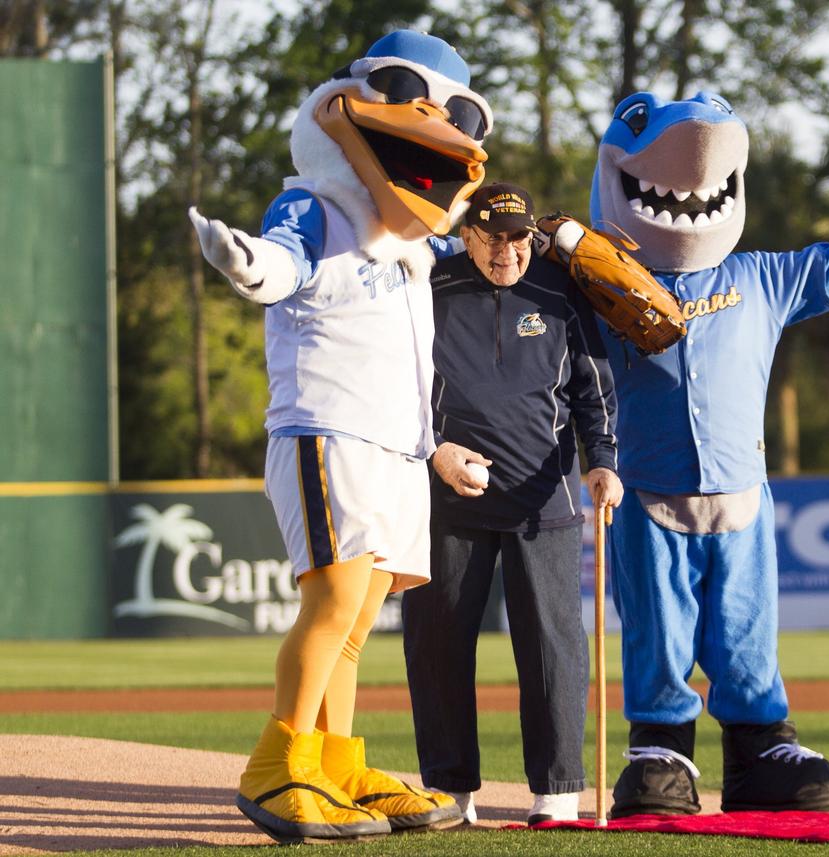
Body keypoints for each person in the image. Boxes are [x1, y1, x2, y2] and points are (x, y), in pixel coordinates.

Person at [586, 91, 829, 817]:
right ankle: (661, 748)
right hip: (645, 493)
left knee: (744, 626)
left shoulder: (763, 277)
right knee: (657, 628)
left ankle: (760, 748)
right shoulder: (597, 283)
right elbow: (507, 284)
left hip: (741, 493)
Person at [187, 30, 496, 841]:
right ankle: (278, 764)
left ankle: (336, 761)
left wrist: (429, 444)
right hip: (326, 429)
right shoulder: (317, 204)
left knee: (358, 619)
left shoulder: (414, 248)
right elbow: (284, 260)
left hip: (394, 445)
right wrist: (247, 263)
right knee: (329, 600)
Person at [402, 181, 624, 826]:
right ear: (466, 235)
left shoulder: (560, 291)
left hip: (542, 495)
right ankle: (450, 788)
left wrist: (603, 463)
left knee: (552, 645)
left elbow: (593, 390)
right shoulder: (427, 287)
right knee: (438, 643)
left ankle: (555, 791)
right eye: (494, 237)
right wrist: (436, 450)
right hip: (447, 492)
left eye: (520, 237)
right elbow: (396, 385)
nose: (509, 251)